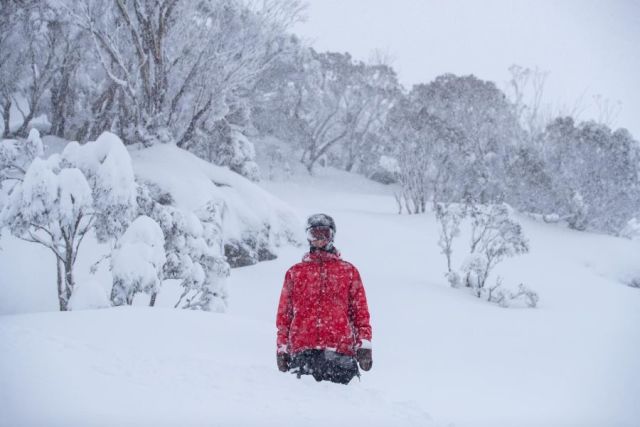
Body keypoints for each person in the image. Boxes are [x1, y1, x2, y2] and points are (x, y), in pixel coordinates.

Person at [276, 213, 372, 385]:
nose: (319, 239)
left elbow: (360, 314)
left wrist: (364, 344)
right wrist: (282, 348)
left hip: (340, 354)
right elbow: (284, 316)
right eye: (314, 234)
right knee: (302, 409)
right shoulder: (295, 273)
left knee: (344, 407)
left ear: (332, 236)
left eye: (324, 234)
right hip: (303, 353)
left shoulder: (348, 272)